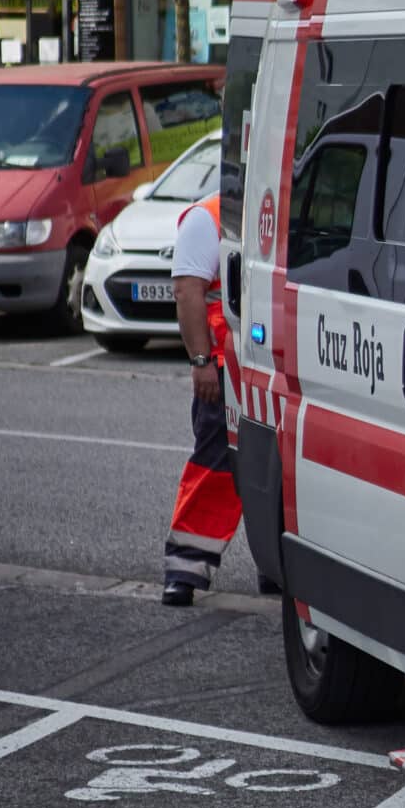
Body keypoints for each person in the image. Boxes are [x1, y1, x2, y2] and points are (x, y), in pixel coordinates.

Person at [163, 193, 242, 606]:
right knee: (216, 463)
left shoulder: (266, 210)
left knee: (277, 471)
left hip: (263, 366)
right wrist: (201, 361)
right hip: (224, 367)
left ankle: (277, 573)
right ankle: (185, 568)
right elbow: (187, 293)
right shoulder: (206, 219)